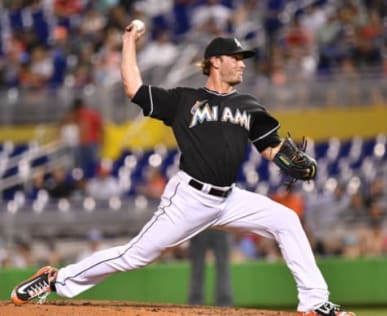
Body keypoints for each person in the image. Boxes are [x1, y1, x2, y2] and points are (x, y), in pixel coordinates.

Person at [10, 22, 355, 316]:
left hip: (230, 199)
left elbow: (271, 147)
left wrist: (291, 159)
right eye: (236, 58)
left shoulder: (249, 106)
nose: (242, 65)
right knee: (135, 256)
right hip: (189, 198)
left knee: (286, 221)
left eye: (243, 59)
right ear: (215, 62)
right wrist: (129, 41)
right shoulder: (184, 100)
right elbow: (134, 88)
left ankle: (315, 303)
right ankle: (58, 280)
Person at [188, 229, 232, 307]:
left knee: (222, 268)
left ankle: (224, 304)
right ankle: (196, 302)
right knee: (198, 268)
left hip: (215, 225)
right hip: (204, 225)